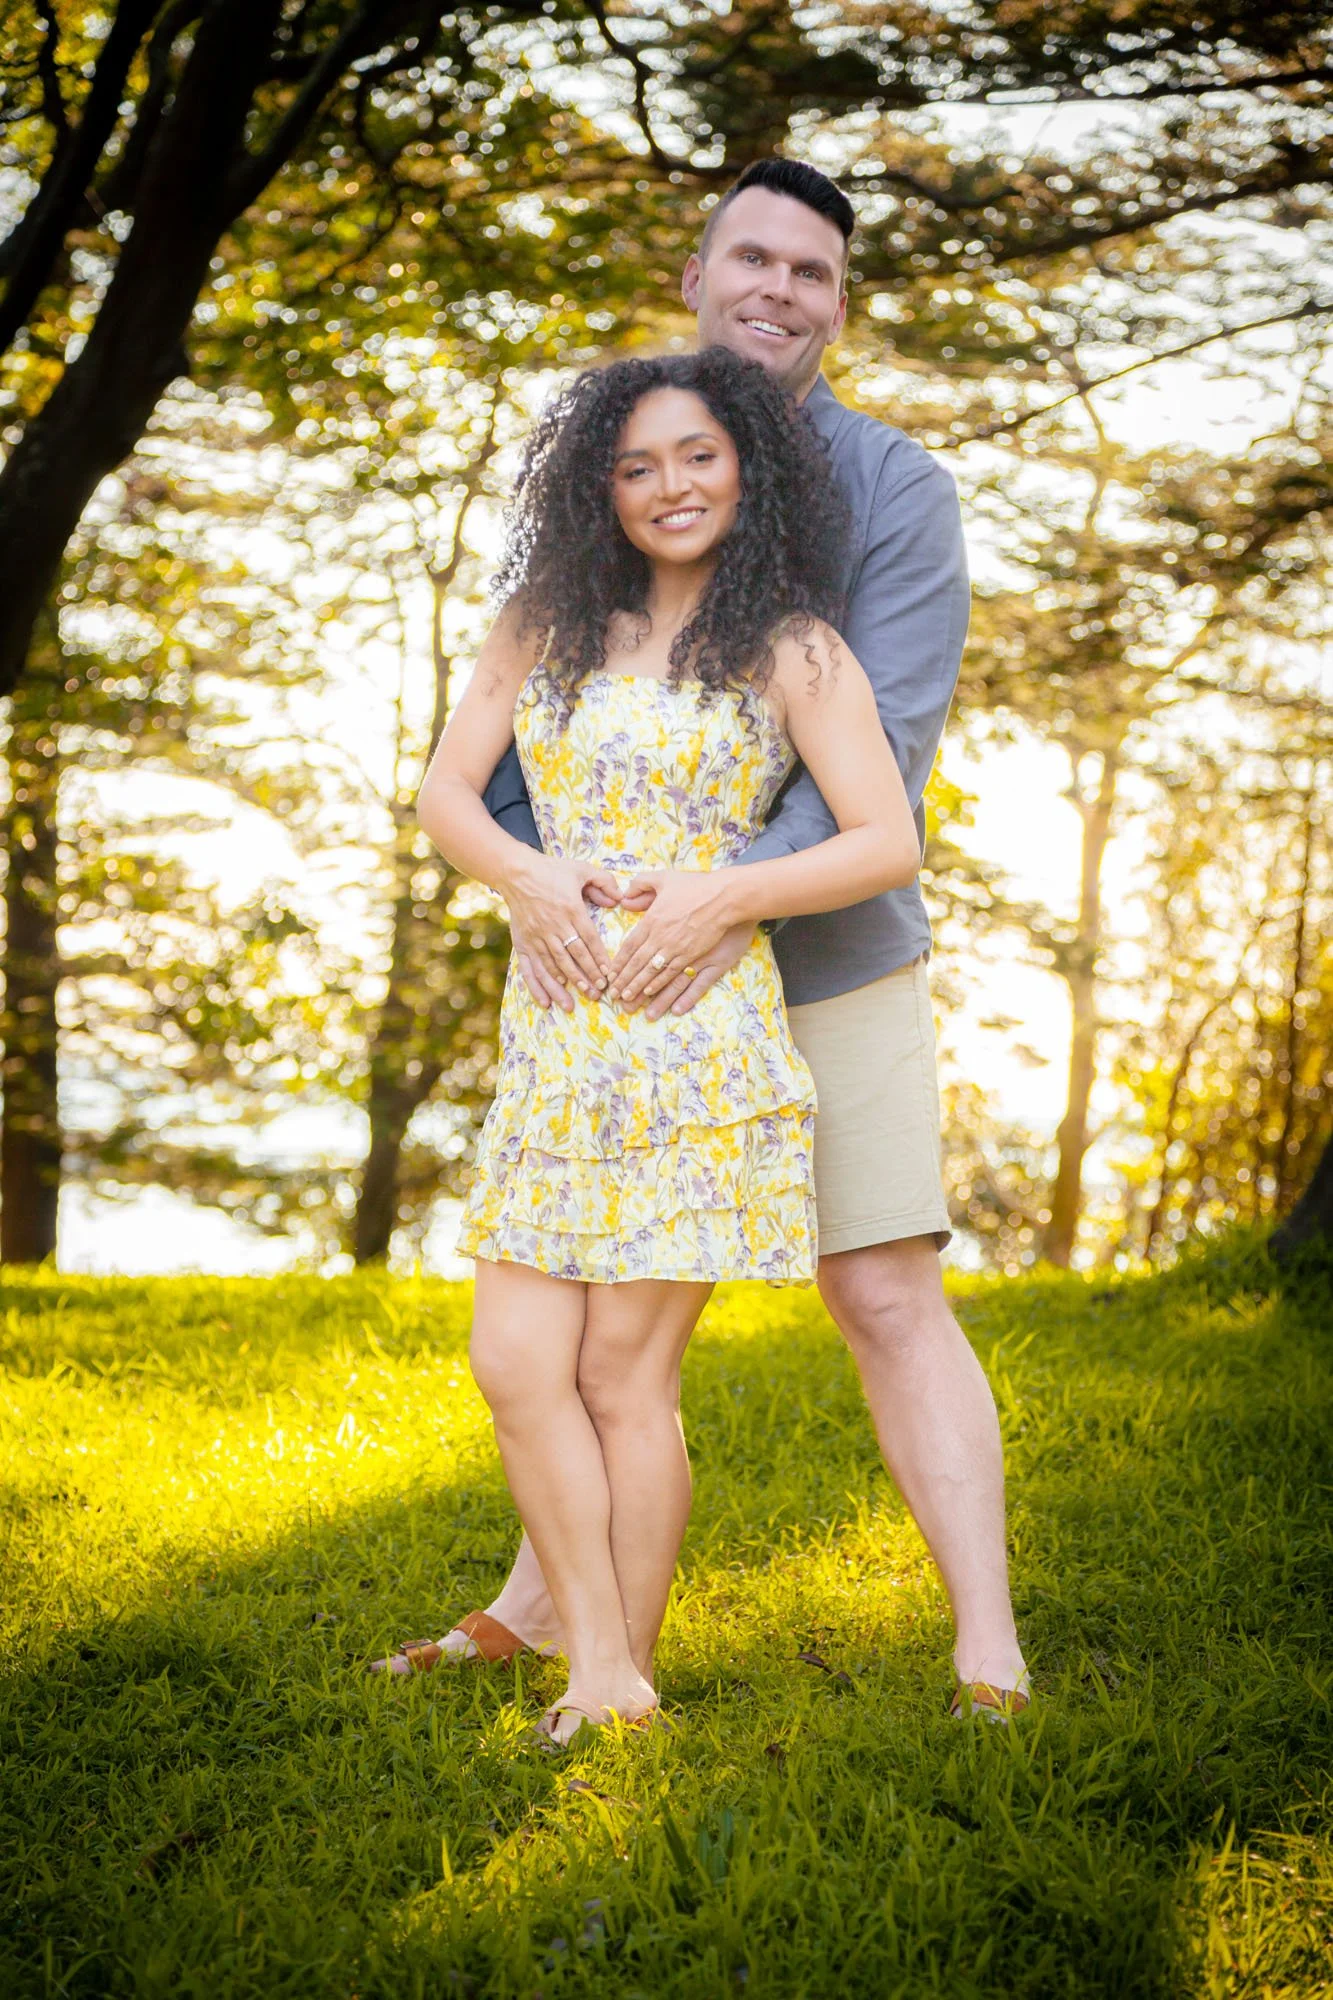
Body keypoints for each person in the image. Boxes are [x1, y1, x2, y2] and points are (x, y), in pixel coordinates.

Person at [402, 157, 1030, 1723]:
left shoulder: (890, 492)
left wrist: (703, 906)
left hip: (818, 949)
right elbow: (509, 750)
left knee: (880, 1289)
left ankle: (988, 1652)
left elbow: (879, 755)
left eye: (811, 272)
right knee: (575, 1341)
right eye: (750, 257)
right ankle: (556, 1624)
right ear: (697, 274)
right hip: (606, 978)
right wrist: (566, 901)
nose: (777, 289)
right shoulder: (604, 495)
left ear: (838, 305)